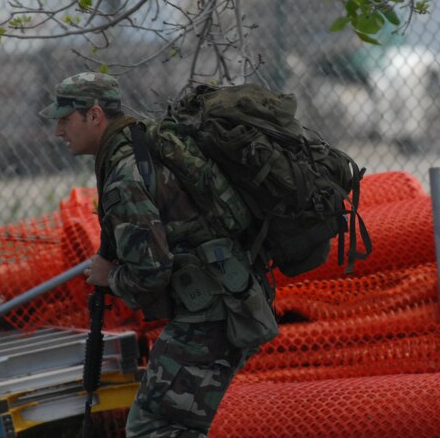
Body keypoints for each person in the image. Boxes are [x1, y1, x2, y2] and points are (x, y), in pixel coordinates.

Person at [40, 72, 274, 437]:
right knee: (171, 424)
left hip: (212, 313)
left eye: (65, 119)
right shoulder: (145, 144)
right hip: (229, 300)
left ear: (95, 115)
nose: (58, 131)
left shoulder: (125, 175)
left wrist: (108, 277)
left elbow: (151, 272)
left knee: (154, 426)